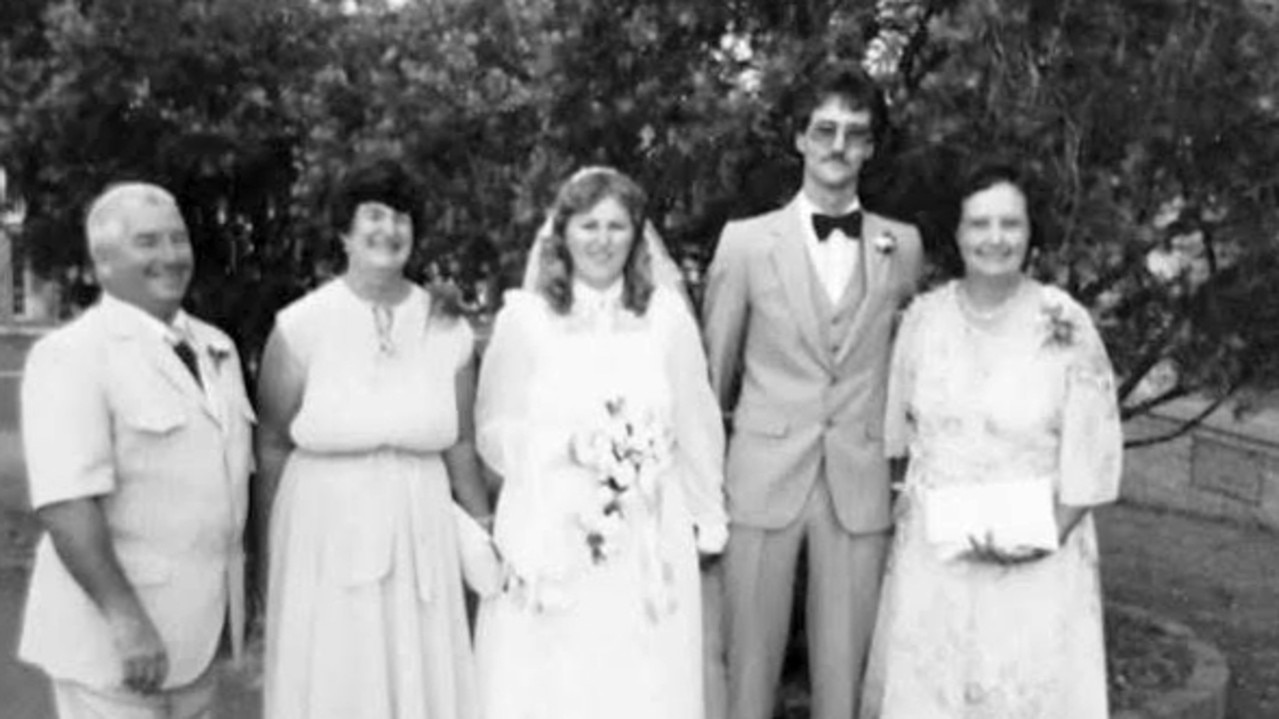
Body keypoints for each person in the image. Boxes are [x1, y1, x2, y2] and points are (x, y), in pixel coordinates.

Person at [700, 63, 925, 719]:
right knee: (744, 669)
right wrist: (704, 488)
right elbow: (713, 377)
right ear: (798, 139)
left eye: (855, 133)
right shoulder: (744, 244)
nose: (837, 145)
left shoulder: (900, 246)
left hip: (856, 482)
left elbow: (909, 371)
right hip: (759, 478)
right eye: (823, 129)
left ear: (871, 147)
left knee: (844, 683)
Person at [861, 161, 1123, 718]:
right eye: (979, 224)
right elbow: (896, 445)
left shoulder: (1067, 324)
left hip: (1037, 568)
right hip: (936, 567)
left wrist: (1040, 537)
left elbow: (1093, 461)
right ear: (956, 234)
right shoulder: (923, 321)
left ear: (1031, 233)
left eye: (1011, 223)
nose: (995, 239)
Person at [473, 166, 727, 719]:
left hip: (647, 532)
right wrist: (567, 449)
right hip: (554, 528)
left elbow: (696, 421)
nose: (602, 240)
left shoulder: (664, 319)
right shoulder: (527, 319)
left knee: (641, 679)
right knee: (558, 679)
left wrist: (709, 518)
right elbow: (494, 431)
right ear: (562, 233)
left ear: (637, 236)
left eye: (617, 226)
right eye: (588, 225)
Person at [254, 158, 492, 719]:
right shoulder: (301, 324)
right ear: (345, 230)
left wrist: (485, 532)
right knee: (338, 676)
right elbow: (271, 446)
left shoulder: (448, 325)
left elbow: (459, 444)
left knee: (417, 675)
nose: (389, 229)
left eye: (401, 217)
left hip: (420, 527)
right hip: (325, 527)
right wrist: (268, 561)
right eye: (374, 215)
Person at [18, 182, 255, 718]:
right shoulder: (72, 356)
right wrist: (125, 621)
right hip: (115, 642)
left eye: (178, 238)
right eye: (148, 242)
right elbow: (66, 503)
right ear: (103, 262)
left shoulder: (216, 348)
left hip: (197, 633)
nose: (171, 256)